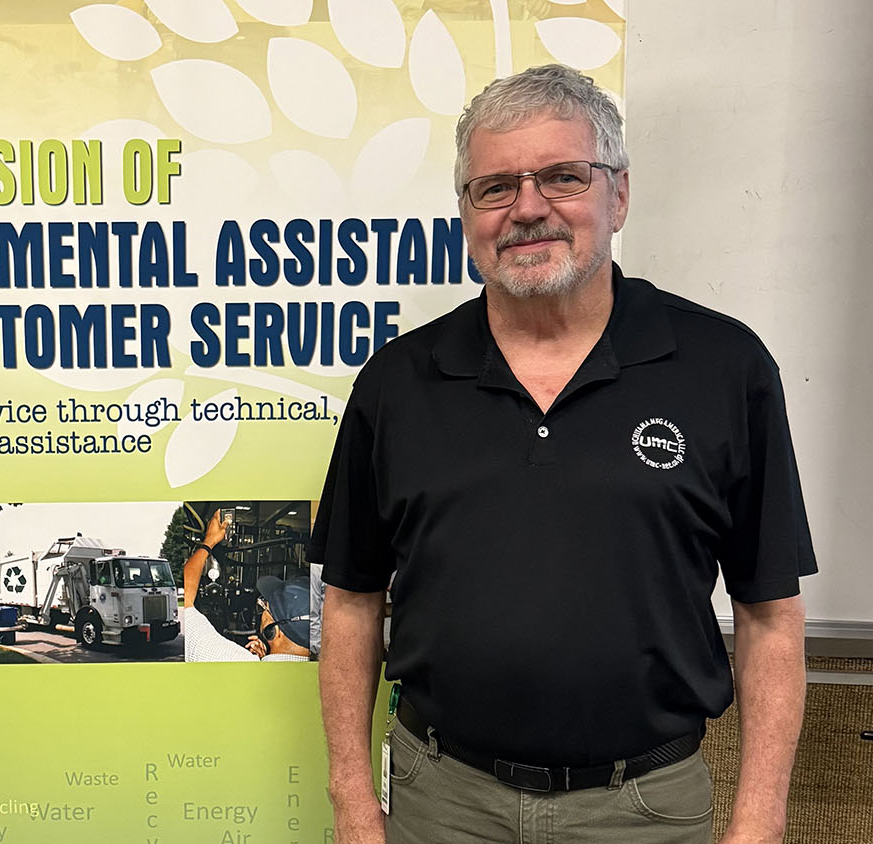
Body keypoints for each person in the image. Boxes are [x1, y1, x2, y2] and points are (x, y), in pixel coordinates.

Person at [310, 65, 815, 844]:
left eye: (562, 177)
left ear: (617, 195)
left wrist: (759, 821)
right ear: (466, 214)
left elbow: (770, 616)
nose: (529, 208)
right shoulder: (397, 384)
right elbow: (350, 603)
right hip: (441, 802)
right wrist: (352, 803)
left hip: (647, 808)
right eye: (495, 187)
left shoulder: (725, 368)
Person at [182, 510, 310, 662]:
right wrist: (271, 655)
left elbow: (185, 598)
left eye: (265, 606)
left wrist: (209, 542)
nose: (261, 609)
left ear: (272, 629)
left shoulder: (229, 660)